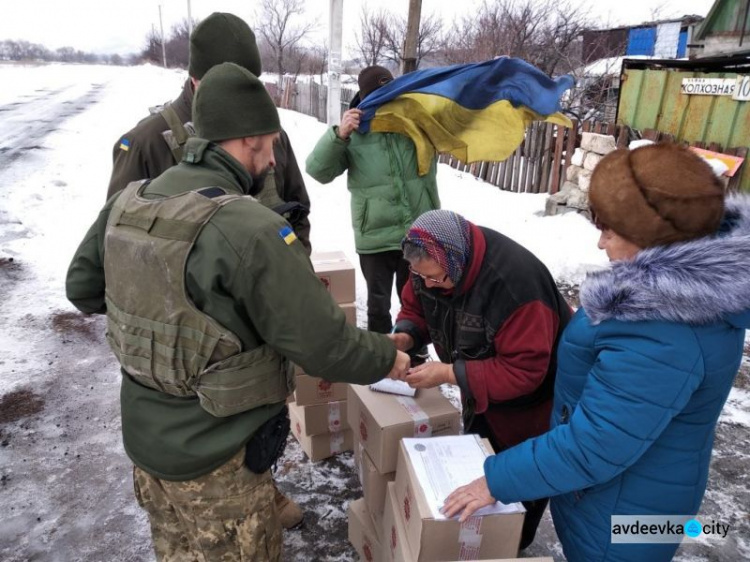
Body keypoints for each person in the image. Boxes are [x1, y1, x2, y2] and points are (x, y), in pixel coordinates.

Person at [66, 63, 410, 561]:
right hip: (218, 459)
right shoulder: (248, 228)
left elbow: (83, 288)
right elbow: (323, 345)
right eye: (271, 144)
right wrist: (387, 358)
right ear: (250, 140)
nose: (274, 162)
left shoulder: (129, 200)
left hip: (146, 447)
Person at [442, 143, 750, 562]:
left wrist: (494, 481)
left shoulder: (665, 329)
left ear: (653, 238)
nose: (601, 242)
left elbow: (594, 446)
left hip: (624, 518)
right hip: (633, 494)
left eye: (610, 228)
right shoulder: (672, 296)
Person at [389, 209, 572, 550]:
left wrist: (449, 373)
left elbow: (525, 372)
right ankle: (476, 543)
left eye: (436, 278)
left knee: (520, 487)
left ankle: (510, 546)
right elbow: (416, 310)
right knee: (477, 466)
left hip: (534, 407)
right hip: (481, 388)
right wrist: (404, 337)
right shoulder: (427, 265)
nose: (427, 284)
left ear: (457, 263)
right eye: (419, 275)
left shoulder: (517, 286)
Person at [107, 12, 312, 253]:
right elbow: (116, 245)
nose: (235, 95)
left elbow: (297, 212)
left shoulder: (271, 138)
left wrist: (295, 268)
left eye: (245, 84)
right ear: (194, 78)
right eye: (220, 82)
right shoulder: (146, 145)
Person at [305, 65, 441, 334]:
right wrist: (339, 135)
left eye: (390, 94)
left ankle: (415, 350)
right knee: (378, 304)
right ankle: (381, 355)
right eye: (379, 96)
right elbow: (317, 170)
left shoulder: (415, 124)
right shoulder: (354, 132)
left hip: (417, 230)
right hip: (375, 235)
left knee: (417, 299)